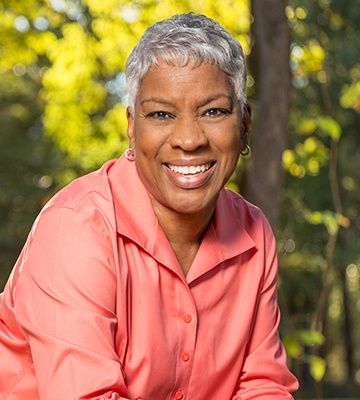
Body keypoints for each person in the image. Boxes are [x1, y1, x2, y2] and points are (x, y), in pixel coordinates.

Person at [0, 12, 299, 399]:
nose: (189, 140)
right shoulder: (75, 228)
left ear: (244, 124)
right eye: (161, 114)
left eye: (213, 111)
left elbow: (262, 386)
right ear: (131, 126)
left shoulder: (254, 235)